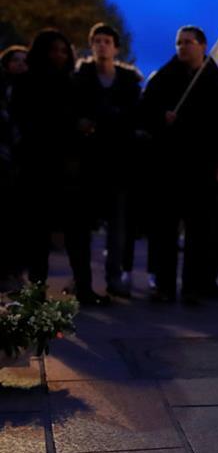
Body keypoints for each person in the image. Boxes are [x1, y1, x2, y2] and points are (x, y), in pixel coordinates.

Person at [139, 25, 218, 305]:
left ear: (202, 46)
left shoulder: (217, 80)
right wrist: (161, 118)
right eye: (179, 42)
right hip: (169, 166)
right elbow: (144, 113)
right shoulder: (163, 78)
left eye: (188, 42)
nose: (182, 47)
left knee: (199, 231)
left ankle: (193, 286)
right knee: (165, 230)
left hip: (203, 166)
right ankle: (164, 286)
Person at [11, 29, 109, 305]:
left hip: (72, 170)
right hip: (39, 167)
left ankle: (84, 287)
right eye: (53, 50)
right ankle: (36, 291)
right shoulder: (27, 83)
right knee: (38, 235)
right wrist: (70, 124)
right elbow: (30, 121)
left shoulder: (74, 83)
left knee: (77, 234)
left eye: (64, 51)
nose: (59, 56)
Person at [73, 23, 143, 299]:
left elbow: (135, 117)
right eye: (97, 41)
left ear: (115, 48)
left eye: (106, 41)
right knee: (82, 226)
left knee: (117, 226)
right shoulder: (80, 78)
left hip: (118, 162)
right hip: (88, 161)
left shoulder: (128, 82)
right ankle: (82, 279)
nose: (101, 45)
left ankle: (115, 278)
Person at [0, 45, 28, 291]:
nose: (20, 64)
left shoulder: (32, 91)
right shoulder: (3, 91)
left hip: (22, 161)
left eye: (24, 60)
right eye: (15, 60)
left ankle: (16, 271)